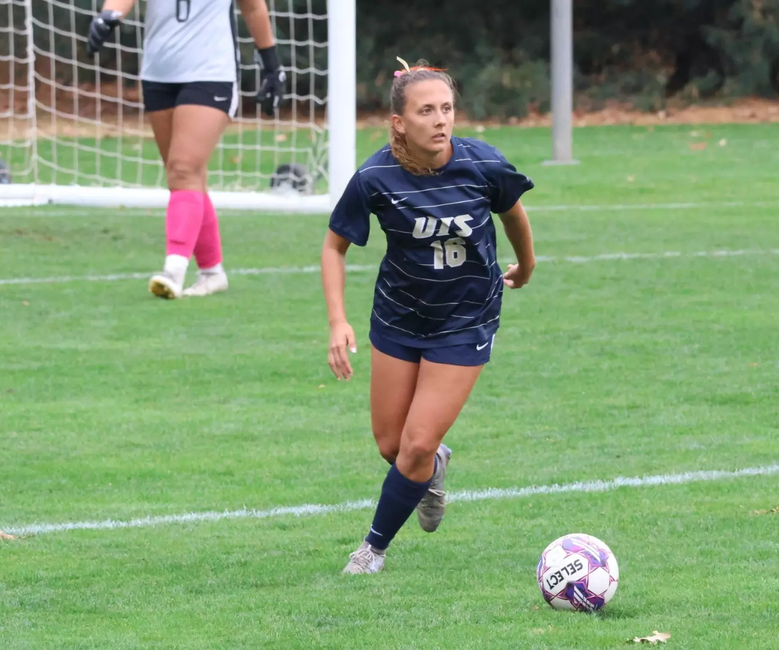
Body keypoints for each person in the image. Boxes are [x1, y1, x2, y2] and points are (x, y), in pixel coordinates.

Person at [320, 58, 537, 574]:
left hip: (465, 320)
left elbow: (514, 215)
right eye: (426, 111)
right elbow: (334, 248)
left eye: (447, 108)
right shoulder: (374, 176)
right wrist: (337, 320)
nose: (440, 120)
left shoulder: (483, 164)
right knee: (393, 446)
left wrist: (527, 265)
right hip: (398, 318)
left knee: (414, 445)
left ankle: (371, 550)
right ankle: (433, 466)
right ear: (400, 122)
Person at [84, 0, 287, 298]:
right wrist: (108, 16)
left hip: (211, 74)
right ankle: (212, 272)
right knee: (186, 179)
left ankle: (173, 271)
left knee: (183, 170)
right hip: (158, 73)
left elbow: (253, 7)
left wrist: (272, 65)